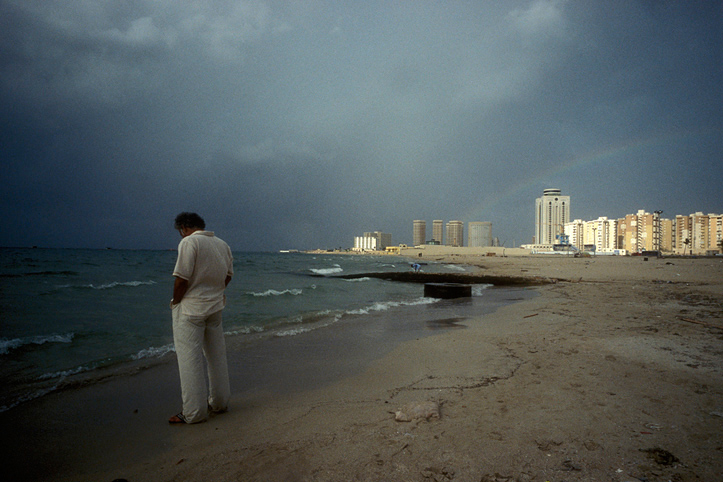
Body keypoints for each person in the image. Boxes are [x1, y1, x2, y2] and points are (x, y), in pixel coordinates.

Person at [168, 212, 234, 424]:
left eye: (180, 231)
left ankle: (194, 413)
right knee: (217, 357)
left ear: (184, 228)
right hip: (215, 307)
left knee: (190, 360)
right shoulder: (222, 244)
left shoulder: (189, 242)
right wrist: (214, 291)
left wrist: (176, 302)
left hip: (191, 309)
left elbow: (181, 279)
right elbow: (228, 275)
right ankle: (220, 403)